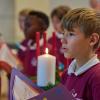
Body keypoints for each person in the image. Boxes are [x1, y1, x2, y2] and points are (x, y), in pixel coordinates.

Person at [61, 8, 100, 99]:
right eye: (63, 33)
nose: (63, 40)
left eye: (71, 34)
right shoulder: (66, 74)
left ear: (92, 40)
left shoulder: (97, 77)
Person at [17, 10, 49, 77]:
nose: (25, 28)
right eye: (25, 25)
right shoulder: (27, 44)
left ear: (42, 28)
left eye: (28, 25)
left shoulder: (48, 50)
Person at [48, 6, 72, 72]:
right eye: (53, 21)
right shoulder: (50, 40)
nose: (55, 25)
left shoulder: (72, 39)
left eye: (57, 21)